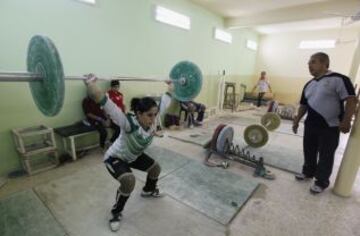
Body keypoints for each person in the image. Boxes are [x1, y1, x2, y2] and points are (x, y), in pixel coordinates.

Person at [84, 74, 163, 232]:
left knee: (155, 168)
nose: (154, 119)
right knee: (128, 180)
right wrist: (90, 83)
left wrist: (171, 84)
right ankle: (116, 213)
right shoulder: (128, 123)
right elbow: (103, 100)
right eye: (149, 115)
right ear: (139, 114)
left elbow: (171, 95)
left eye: (155, 114)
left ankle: (148, 190)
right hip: (116, 158)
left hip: (132, 156)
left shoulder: (152, 122)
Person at [292, 52, 357, 194]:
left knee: (326, 155)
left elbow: (351, 100)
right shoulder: (309, 84)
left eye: (313, 62)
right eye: (309, 62)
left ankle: (321, 181)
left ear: (324, 64)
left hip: (329, 126)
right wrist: (297, 120)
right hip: (310, 124)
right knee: (309, 150)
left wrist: (346, 121)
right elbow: (304, 105)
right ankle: (308, 172)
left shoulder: (339, 79)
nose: (309, 65)